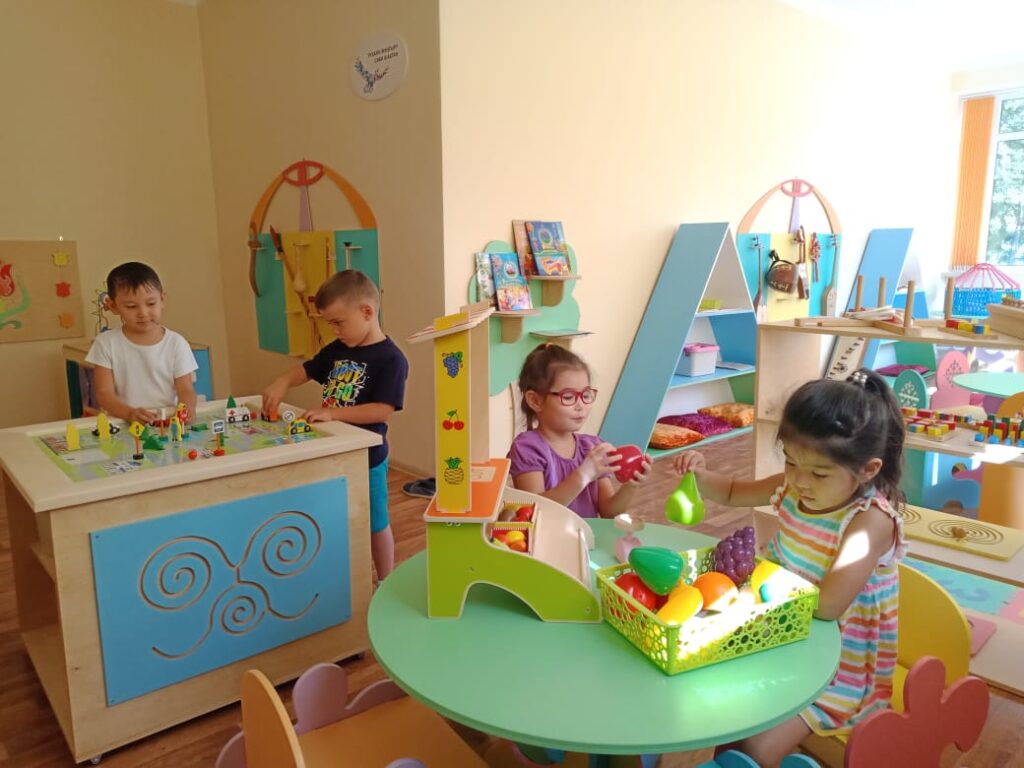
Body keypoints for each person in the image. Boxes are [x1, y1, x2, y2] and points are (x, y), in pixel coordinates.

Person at [673, 368, 907, 766]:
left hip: (837, 668)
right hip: (784, 634)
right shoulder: (793, 487)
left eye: (818, 473)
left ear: (868, 470)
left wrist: (759, 580)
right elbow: (732, 492)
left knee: (751, 749)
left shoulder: (870, 521)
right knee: (719, 714)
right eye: (791, 461)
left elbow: (828, 605)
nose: (800, 481)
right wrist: (698, 474)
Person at [262, 270, 407, 580]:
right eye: (330, 323)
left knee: (375, 521)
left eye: (339, 322)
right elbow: (306, 369)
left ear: (367, 312)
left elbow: (382, 411)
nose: (334, 330)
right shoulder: (337, 350)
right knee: (335, 515)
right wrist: (282, 381)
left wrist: (334, 414)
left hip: (368, 458)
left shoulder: (391, 359)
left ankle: (385, 579)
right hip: (331, 452)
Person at [509, 344, 652, 517]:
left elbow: (609, 512)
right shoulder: (527, 448)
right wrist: (584, 474)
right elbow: (536, 512)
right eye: (569, 397)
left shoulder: (592, 447)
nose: (581, 405)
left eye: (585, 395)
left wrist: (631, 485)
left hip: (585, 534)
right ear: (535, 401)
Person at [86, 262, 197, 425]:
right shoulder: (105, 343)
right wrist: (129, 413)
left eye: (151, 304)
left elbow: (186, 390)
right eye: (131, 306)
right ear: (113, 306)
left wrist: (187, 408)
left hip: (166, 421)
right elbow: (104, 394)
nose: (143, 313)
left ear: (162, 299)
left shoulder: (176, 343)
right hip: (124, 422)